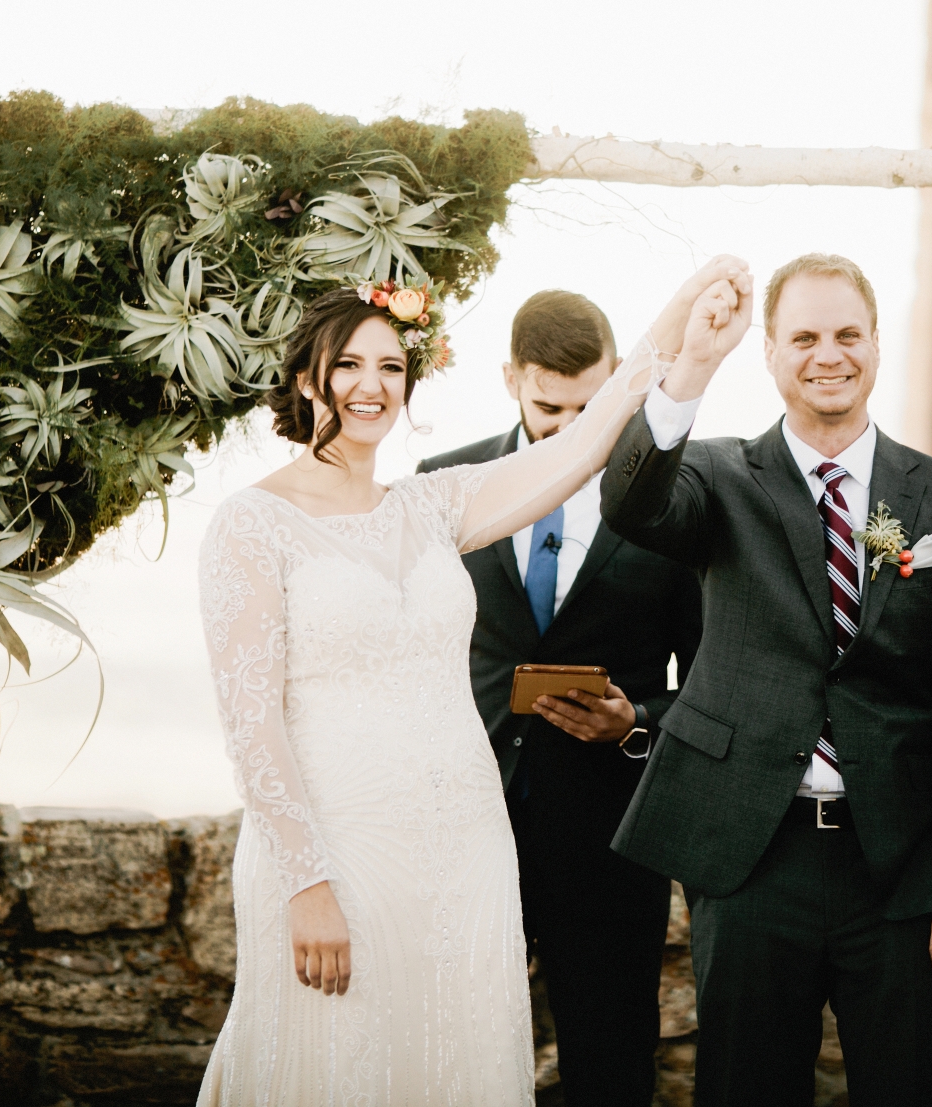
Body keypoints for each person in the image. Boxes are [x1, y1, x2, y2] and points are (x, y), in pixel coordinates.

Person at [195, 259, 753, 1105]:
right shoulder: (251, 523)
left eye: (391, 365)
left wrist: (683, 327)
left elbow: (583, 446)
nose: (372, 385)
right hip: (340, 853)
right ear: (307, 377)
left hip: (464, 855)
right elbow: (251, 725)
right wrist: (305, 883)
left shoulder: (429, 506)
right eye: (349, 365)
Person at [598, 253, 932, 1107]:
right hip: (751, 856)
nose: (829, 354)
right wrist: (693, 364)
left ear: (876, 344)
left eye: (848, 334)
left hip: (899, 866)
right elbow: (631, 502)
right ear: (770, 353)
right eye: (804, 338)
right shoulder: (715, 476)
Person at [418, 290, 703, 1107]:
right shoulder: (444, 483)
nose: (574, 431)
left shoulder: (672, 501)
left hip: (610, 843)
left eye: (591, 408)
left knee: (610, 1066)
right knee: (450, 1061)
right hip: (464, 831)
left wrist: (635, 720)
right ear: (510, 378)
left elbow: (710, 677)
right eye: (550, 409)